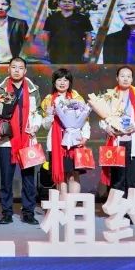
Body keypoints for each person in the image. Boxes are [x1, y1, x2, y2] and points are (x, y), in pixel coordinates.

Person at [0, 57, 43, 225]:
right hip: (7, 140)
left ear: (25, 71)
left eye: (20, 68)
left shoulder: (33, 89)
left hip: (27, 138)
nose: (16, 70)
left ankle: (28, 212)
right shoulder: (0, 89)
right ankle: (6, 212)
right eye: (13, 67)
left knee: (29, 179)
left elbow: (38, 111)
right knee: (6, 178)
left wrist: (36, 125)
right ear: (8, 69)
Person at [98, 66, 135, 195]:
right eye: (122, 76)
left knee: (133, 178)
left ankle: (131, 206)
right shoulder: (108, 97)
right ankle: (117, 206)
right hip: (116, 140)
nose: (125, 79)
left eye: (129, 76)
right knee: (117, 178)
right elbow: (102, 117)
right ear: (117, 78)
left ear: (132, 79)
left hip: (134, 141)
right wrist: (106, 127)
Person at [40, 68, 90, 196]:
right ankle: (62, 205)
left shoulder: (77, 98)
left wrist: (85, 137)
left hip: (74, 141)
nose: (62, 83)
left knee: (73, 174)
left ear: (70, 82)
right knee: (60, 175)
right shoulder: (48, 100)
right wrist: (50, 115)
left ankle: (72, 205)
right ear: (54, 82)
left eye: (65, 80)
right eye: (59, 80)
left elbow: (85, 120)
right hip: (55, 142)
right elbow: (46, 126)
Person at [41, 0, 94, 64]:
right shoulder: (51, 18)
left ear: (74, 4)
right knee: (58, 70)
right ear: (59, 4)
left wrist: (86, 52)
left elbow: (88, 35)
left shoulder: (83, 18)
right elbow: (46, 35)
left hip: (77, 52)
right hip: (56, 52)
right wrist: (46, 50)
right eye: (64, 1)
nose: (67, 4)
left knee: (74, 70)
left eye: (70, 2)